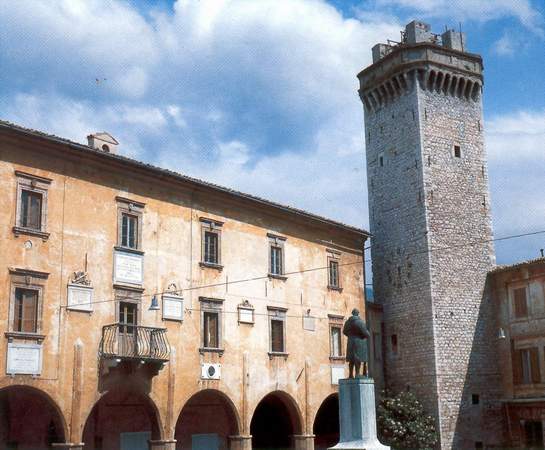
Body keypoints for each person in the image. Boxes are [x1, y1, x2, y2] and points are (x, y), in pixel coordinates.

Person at [343, 308, 370, 378]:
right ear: (357, 313)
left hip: (350, 341)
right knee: (358, 358)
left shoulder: (347, 322)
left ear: (352, 313)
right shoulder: (360, 322)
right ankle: (357, 374)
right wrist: (366, 334)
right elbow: (366, 333)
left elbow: (344, 331)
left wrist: (350, 335)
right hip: (358, 341)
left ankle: (351, 374)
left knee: (351, 359)